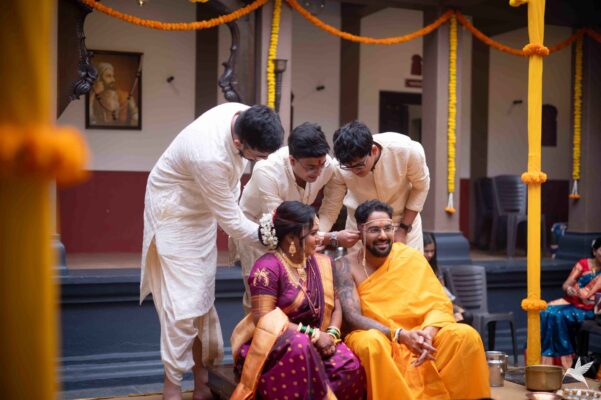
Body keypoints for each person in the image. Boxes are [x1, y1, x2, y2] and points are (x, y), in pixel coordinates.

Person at [141, 103, 283, 400]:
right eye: (258, 156)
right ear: (238, 142)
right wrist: (273, 240)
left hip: (204, 211)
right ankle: (172, 386)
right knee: (183, 305)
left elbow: (230, 197)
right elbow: (231, 221)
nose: (263, 162)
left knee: (202, 298)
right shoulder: (209, 156)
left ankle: (202, 381)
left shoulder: (244, 114)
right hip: (174, 213)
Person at [334, 200, 490, 400]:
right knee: (369, 343)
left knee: (465, 336)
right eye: (374, 230)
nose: (383, 236)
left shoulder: (410, 257)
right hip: (382, 336)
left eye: (387, 228)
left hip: (421, 334)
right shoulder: (345, 266)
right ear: (360, 230)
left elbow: (438, 303)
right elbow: (353, 317)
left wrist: (428, 333)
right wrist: (399, 335)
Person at [230, 201, 366, 400]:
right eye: (313, 233)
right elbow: (263, 319)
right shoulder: (267, 268)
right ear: (291, 238)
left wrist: (331, 335)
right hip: (278, 345)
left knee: (348, 367)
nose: (319, 238)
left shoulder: (323, 262)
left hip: (321, 340)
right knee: (300, 347)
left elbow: (336, 306)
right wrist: (313, 335)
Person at [237, 122, 360, 313]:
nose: (317, 172)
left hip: (301, 231)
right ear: (292, 160)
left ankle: (294, 332)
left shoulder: (327, 165)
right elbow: (282, 224)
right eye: (310, 167)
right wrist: (330, 238)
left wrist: (317, 234)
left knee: (297, 291)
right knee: (262, 292)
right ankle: (259, 332)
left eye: (321, 165)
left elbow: (331, 204)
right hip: (261, 230)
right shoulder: (267, 171)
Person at [319, 121, 430, 252]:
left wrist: (403, 229)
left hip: (403, 223)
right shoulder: (338, 165)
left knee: (408, 264)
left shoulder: (406, 150)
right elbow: (330, 207)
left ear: (373, 150)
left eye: (359, 165)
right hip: (361, 230)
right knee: (361, 265)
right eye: (348, 167)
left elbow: (420, 187)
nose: (354, 171)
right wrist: (318, 236)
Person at [541, 237, 601, 368]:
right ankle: (547, 360)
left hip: (592, 308)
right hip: (573, 301)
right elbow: (566, 285)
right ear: (594, 250)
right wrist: (569, 289)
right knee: (545, 311)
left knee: (558, 315)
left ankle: (566, 361)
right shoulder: (583, 264)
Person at [423, 233, 471, 324]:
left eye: (432, 251)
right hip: (429, 305)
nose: (430, 255)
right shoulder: (417, 267)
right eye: (426, 251)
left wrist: (455, 309)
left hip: (443, 301)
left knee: (466, 316)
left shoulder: (436, 267)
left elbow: (443, 290)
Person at [89, 62, 139, 126]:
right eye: (108, 76)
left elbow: (136, 119)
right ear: (99, 79)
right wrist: (93, 94)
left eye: (113, 76)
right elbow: (90, 120)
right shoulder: (93, 97)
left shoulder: (125, 96)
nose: (113, 80)